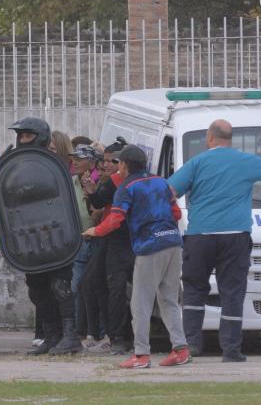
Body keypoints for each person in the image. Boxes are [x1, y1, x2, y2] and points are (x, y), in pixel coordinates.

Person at [167, 119, 261, 362]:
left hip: (200, 236)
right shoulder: (245, 161)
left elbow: (170, 191)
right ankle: (231, 350)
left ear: (210, 138)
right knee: (232, 292)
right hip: (234, 236)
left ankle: (192, 345)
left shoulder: (196, 163)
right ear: (230, 139)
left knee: (195, 290)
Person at [85, 144, 190, 369]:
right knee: (169, 299)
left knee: (140, 301)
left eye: (118, 163)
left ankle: (141, 354)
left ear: (123, 165)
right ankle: (180, 349)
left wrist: (95, 231)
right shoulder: (162, 182)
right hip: (173, 242)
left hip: (150, 246)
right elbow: (177, 213)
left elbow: (115, 220)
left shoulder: (126, 187)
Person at [8, 117, 83, 355]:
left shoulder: (52, 164)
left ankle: (71, 337)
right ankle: (51, 336)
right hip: (29, 237)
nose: (23, 139)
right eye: (21, 136)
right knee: (37, 287)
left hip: (57, 235)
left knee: (60, 286)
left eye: (28, 135)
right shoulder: (14, 165)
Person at [81, 137, 133, 354]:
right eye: (105, 161)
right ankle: (106, 334)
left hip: (115, 237)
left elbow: (104, 205)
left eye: (113, 161)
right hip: (116, 237)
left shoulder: (117, 182)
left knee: (112, 287)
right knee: (96, 283)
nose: (106, 165)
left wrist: (93, 193)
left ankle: (115, 336)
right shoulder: (122, 181)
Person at [68, 144, 104, 344]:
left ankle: (97, 331)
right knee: (76, 286)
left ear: (91, 162)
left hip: (99, 239)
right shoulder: (71, 181)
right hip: (79, 240)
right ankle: (77, 330)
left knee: (96, 287)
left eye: (80, 159)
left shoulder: (100, 181)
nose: (75, 161)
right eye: (74, 158)